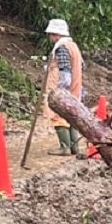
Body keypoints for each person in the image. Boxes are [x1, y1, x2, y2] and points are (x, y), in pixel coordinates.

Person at [43, 18, 84, 156]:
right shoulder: (74, 46)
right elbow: (81, 66)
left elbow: (65, 72)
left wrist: (60, 91)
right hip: (75, 88)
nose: (50, 37)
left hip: (63, 89)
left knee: (58, 115)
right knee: (72, 115)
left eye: (51, 34)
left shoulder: (62, 48)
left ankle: (65, 147)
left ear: (56, 34)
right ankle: (74, 147)